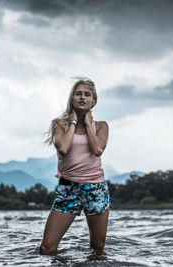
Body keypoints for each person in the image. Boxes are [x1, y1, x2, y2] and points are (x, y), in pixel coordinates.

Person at [40, 76, 111, 256]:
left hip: (95, 188)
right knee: (47, 248)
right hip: (68, 188)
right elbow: (63, 148)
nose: (82, 97)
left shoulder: (101, 126)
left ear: (93, 101)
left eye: (87, 95)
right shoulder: (59, 124)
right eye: (78, 94)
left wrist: (88, 124)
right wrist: (73, 123)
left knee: (97, 248)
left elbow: (97, 149)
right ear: (71, 98)